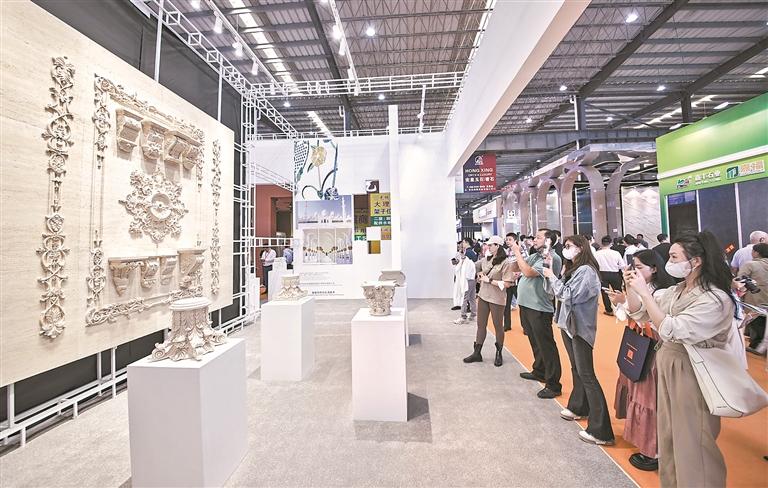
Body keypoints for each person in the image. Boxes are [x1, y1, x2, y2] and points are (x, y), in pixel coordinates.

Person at [624, 231, 735, 487]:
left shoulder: (714, 298)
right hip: (667, 362)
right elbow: (640, 313)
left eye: (674, 257)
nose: (669, 262)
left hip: (693, 368)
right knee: (669, 436)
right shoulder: (676, 290)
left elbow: (671, 329)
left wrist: (645, 293)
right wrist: (632, 287)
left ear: (695, 261)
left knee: (693, 440)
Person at [608, 250, 676, 471]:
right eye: (633, 267)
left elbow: (646, 318)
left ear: (654, 268)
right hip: (639, 343)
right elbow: (634, 312)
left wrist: (630, 297)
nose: (634, 271)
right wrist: (628, 292)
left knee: (649, 398)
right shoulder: (644, 288)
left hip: (653, 347)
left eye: (639, 267)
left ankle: (653, 450)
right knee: (638, 391)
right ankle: (646, 443)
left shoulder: (662, 292)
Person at [542, 235, 614, 445]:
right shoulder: (573, 269)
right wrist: (551, 273)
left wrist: (553, 277)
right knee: (576, 369)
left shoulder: (587, 271)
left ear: (581, 248)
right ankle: (579, 406)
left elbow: (568, 295)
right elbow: (554, 291)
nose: (565, 249)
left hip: (580, 327)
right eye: (564, 246)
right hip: (568, 324)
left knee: (587, 374)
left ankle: (601, 430)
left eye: (569, 246)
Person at [509, 228, 563, 398]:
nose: (534, 240)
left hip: (539, 307)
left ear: (548, 241)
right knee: (535, 341)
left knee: (546, 345)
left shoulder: (552, 258)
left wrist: (517, 252)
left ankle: (553, 384)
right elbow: (515, 267)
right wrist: (516, 253)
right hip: (527, 305)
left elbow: (527, 272)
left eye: (538, 237)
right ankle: (539, 371)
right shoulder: (535, 256)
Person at [463, 235, 515, 367]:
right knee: (481, 325)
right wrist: (478, 273)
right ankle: (477, 352)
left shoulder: (506, 263)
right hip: (483, 296)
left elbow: (507, 283)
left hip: (497, 299)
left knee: (498, 326)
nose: (488, 247)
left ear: (498, 246)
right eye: (488, 245)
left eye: (491, 245)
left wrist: (489, 280)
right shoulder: (486, 259)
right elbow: (474, 267)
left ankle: (499, 352)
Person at [736, 243, 768, 353]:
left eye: (753, 251)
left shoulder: (750, 265)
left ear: (756, 253)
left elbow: (740, 280)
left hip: (755, 298)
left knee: (755, 321)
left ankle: (756, 345)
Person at [595, 235, 626, 316]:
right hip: (614, 273)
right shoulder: (616, 253)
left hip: (602, 274)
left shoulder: (597, 253)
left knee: (605, 292)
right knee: (618, 291)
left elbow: (594, 265)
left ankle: (609, 310)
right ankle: (620, 310)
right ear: (610, 243)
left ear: (602, 243)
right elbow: (622, 265)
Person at [502, 233, 523, 331]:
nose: (507, 241)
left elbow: (526, 263)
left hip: (518, 281)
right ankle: (507, 325)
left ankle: (525, 327)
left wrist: (520, 272)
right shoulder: (506, 251)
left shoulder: (521, 250)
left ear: (515, 240)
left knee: (522, 304)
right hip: (508, 281)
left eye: (510, 239)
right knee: (506, 304)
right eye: (506, 239)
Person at [454, 251, 477, 325]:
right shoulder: (465, 262)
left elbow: (467, 274)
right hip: (471, 280)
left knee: (464, 298)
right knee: (472, 298)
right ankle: (473, 315)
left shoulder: (468, 262)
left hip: (468, 281)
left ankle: (463, 317)